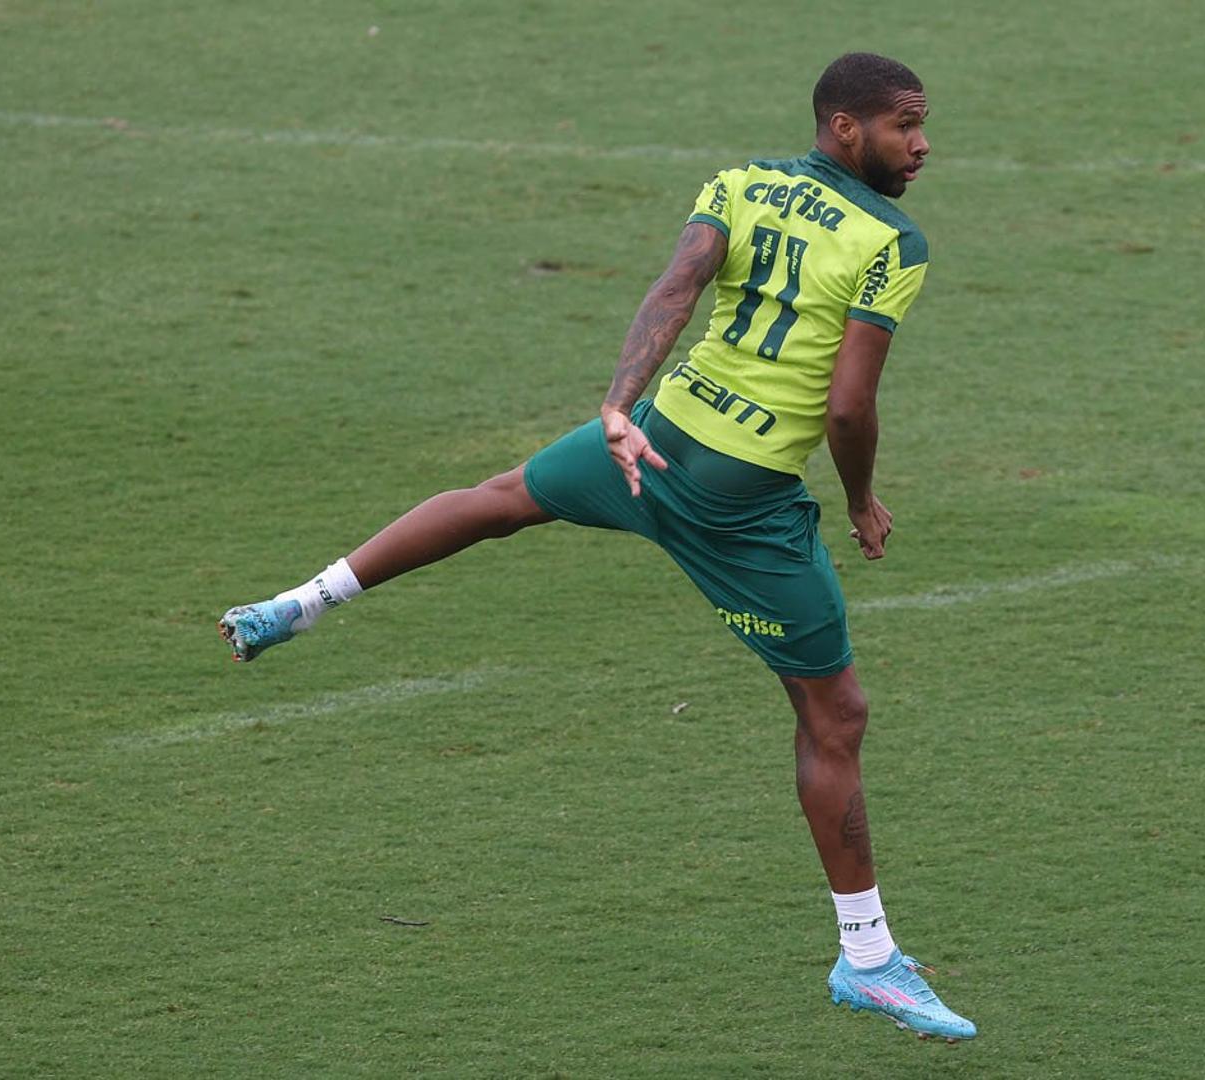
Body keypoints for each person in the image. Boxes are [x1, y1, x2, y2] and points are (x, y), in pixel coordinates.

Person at [218, 52, 974, 1042]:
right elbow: (846, 405)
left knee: (496, 499)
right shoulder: (894, 241)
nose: (921, 146)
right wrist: (864, 498)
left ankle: (297, 605)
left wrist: (619, 409)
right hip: (738, 503)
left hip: (650, 441)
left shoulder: (741, 182)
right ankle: (868, 957)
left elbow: (675, 291)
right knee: (835, 717)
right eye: (904, 127)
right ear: (847, 129)